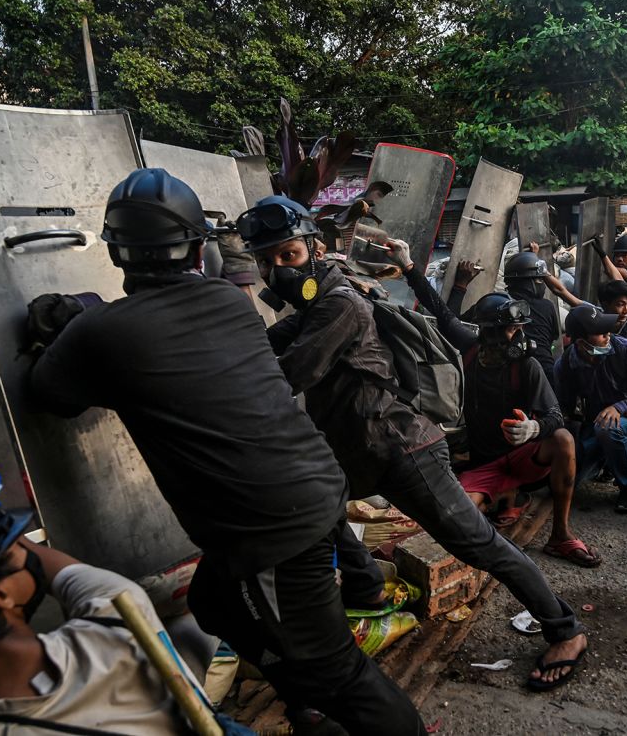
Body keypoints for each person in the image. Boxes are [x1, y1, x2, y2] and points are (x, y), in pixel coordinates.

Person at [26, 169, 418, 734]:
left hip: (269, 529)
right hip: (311, 489)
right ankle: (306, 701)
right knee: (214, 601)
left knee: (340, 672)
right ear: (195, 247)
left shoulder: (100, 334)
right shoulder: (228, 302)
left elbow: (50, 395)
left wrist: (72, 323)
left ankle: (318, 694)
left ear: (117, 253)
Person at [240, 197, 588, 692]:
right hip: (358, 452)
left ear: (314, 250)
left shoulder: (339, 303)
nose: (277, 270)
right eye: (265, 261)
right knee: (318, 509)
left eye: (288, 255)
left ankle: (565, 629)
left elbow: (286, 374)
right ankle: (367, 586)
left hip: (404, 450)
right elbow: (263, 348)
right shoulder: (318, 303)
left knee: (479, 545)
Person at [390, 241, 601, 568]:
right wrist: (407, 266)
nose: (518, 335)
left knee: (563, 440)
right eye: (511, 329)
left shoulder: (527, 365)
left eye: (519, 328)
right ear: (489, 332)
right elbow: (440, 313)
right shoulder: (470, 349)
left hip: (523, 458)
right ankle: (503, 498)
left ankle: (560, 534)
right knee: (457, 518)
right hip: (485, 466)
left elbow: (556, 417)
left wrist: (534, 428)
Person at [0, 461, 191, 733]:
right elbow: (62, 571)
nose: (25, 550)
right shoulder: (118, 622)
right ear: (2, 594)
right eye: (13, 546)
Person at [554, 305, 627, 513]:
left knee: (608, 428)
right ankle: (609, 461)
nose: (608, 336)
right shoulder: (565, 364)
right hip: (594, 424)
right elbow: (564, 407)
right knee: (570, 479)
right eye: (602, 334)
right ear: (581, 343)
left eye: (608, 331)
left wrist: (619, 408)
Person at [491, 251, 561, 390]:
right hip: (547, 375)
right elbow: (554, 337)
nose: (542, 284)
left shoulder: (499, 304)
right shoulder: (547, 306)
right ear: (527, 281)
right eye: (539, 280)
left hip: (510, 377)